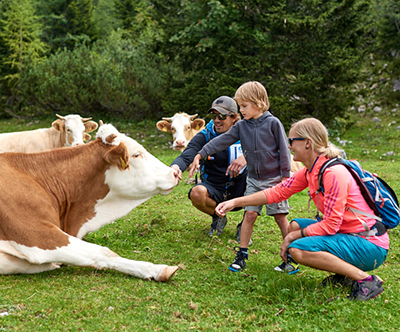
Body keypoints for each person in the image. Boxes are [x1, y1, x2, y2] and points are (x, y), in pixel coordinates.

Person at [215, 117, 388, 301]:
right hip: (349, 234)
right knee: (295, 225)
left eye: (291, 141)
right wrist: (235, 202)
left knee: (297, 249)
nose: (288, 146)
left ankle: (367, 280)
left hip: (370, 243)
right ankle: (345, 275)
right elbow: (275, 193)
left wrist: (291, 237)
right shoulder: (312, 170)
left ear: (308, 143)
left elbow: (330, 225)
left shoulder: (333, 173)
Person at [189, 81, 293, 273]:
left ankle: (290, 256)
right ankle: (242, 254)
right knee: (250, 214)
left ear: (259, 103)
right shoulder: (241, 126)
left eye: (244, 106)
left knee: (280, 216)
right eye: (240, 106)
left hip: (274, 181)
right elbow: (220, 141)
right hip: (253, 179)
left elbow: (284, 151)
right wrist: (200, 154)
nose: (241, 111)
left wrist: (285, 178)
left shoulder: (273, 123)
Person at [171, 96, 248, 236]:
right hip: (215, 186)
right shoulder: (206, 134)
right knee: (196, 193)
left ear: (234, 118)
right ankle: (219, 217)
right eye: (214, 116)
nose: (217, 120)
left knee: (262, 182)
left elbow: (267, 152)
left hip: (241, 187)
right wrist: (176, 166)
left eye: (222, 116)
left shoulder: (247, 133)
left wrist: (246, 157)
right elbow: (188, 153)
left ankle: (245, 226)